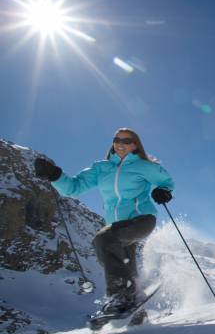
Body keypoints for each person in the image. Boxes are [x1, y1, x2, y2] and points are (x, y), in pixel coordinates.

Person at [34, 128, 174, 319]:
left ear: (135, 145)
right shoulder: (101, 168)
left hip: (142, 219)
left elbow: (165, 180)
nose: (120, 144)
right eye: (117, 140)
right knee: (122, 262)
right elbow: (73, 187)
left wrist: (163, 190)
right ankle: (137, 317)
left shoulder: (144, 166)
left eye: (126, 140)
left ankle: (118, 297)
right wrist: (55, 175)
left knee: (104, 240)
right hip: (117, 225)